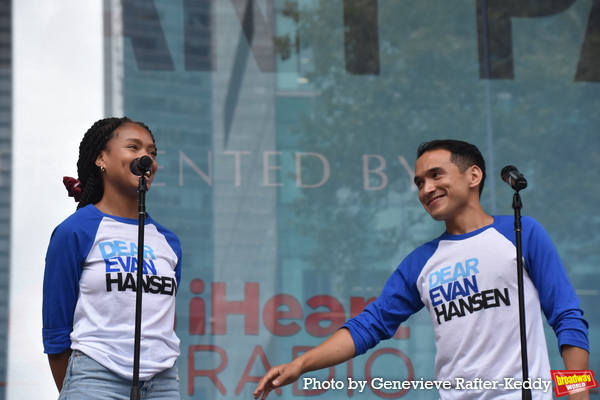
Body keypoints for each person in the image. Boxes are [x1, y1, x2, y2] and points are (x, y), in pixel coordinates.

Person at [253, 139, 589, 400]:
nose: (425, 189)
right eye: (418, 183)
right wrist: (300, 365)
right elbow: (370, 325)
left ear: (474, 175)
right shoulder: (421, 263)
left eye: (435, 175)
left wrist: (578, 393)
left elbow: (567, 316)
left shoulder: (521, 232)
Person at [42, 117, 182, 399]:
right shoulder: (75, 231)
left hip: (163, 382)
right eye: (134, 147)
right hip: (95, 378)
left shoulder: (168, 241)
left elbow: (164, 319)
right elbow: (56, 330)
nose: (146, 159)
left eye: (152, 153)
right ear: (101, 159)